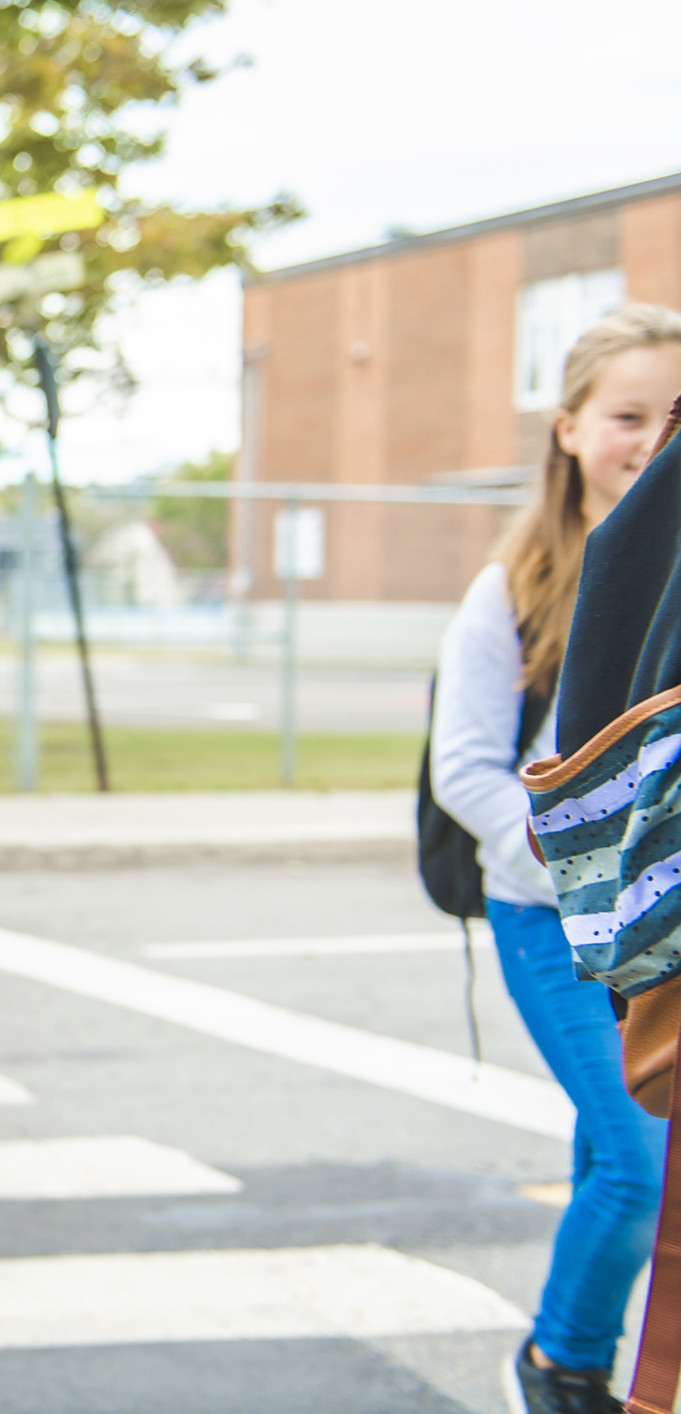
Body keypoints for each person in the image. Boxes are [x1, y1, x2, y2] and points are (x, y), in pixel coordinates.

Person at [432, 303, 681, 1414]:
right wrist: (584, 858)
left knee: (615, 1149)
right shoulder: (513, 586)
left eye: (668, 416)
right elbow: (468, 770)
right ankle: (563, 1360)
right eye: (626, 413)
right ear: (570, 428)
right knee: (644, 1159)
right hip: (554, 921)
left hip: (666, 925)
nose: (647, 436)